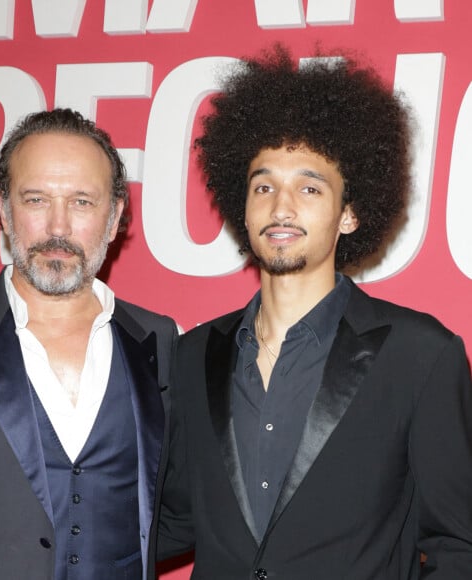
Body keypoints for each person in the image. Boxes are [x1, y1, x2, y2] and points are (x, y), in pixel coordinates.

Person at [158, 45, 472, 579]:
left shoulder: (422, 357)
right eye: (264, 186)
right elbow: (175, 520)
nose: (281, 207)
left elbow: (459, 546)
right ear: (244, 208)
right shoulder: (191, 356)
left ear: (349, 213)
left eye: (309, 187)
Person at [0, 108, 177, 580]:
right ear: (5, 211)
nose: (58, 228)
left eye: (82, 201)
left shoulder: (158, 339)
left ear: (115, 217)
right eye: (37, 199)